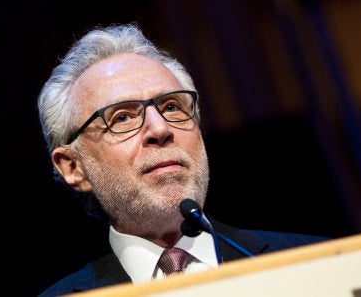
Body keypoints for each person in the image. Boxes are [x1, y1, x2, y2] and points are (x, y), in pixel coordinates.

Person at [37, 22, 329, 296]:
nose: (161, 129)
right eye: (122, 117)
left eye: (172, 106)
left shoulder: (320, 267)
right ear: (73, 167)